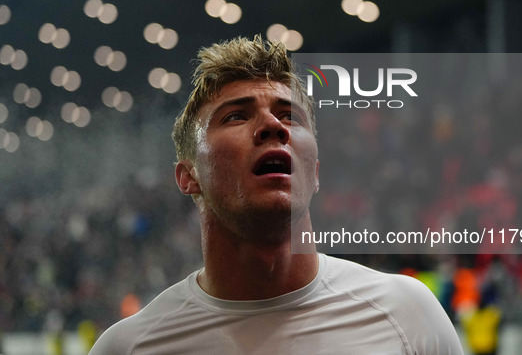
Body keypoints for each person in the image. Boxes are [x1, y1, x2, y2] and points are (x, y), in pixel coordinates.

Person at [90, 36, 464, 354]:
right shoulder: (129, 347)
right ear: (189, 176)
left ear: (315, 173)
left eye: (291, 116)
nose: (273, 126)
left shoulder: (409, 316)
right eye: (236, 116)